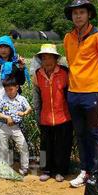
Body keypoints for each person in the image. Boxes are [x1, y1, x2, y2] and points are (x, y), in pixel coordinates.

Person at [63, 0, 98, 188]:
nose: (78, 16)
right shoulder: (68, 37)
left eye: (81, 12)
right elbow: (71, 63)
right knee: (80, 133)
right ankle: (84, 171)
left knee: (94, 134)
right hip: (74, 93)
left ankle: (96, 174)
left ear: (89, 14)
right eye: (75, 13)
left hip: (93, 91)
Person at [32, 44, 73, 183]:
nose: (47, 61)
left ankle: (60, 170)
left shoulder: (65, 72)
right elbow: (36, 96)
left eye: (50, 58)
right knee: (45, 144)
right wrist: (37, 113)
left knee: (63, 144)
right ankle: (46, 169)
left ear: (56, 59)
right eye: (44, 58)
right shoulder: (38, 74)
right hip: (45, 116)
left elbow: (70, 94)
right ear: (41, 60)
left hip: (64, 116)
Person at [0, 35, 28, 145]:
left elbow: (21, 82)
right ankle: (1, 157)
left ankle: (22, 154)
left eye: (6, 47)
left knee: (18, 130)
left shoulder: (16, 65)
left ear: (11, 49)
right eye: (0, 47)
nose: (3, 50)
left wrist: (21, 69)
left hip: (13, 102)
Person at [0, 76, 32, 176]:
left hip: (16, 127)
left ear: (17, 87)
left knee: (23, 146)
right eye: (6, 90)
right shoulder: (2, 99)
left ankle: (24, 168)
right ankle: (5, 168)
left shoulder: (21, 99)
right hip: (3, 127)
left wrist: (25, 113)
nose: (9, 92)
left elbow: (29, 108)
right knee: (3, 148)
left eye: (11, 89)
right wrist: (7, 117)